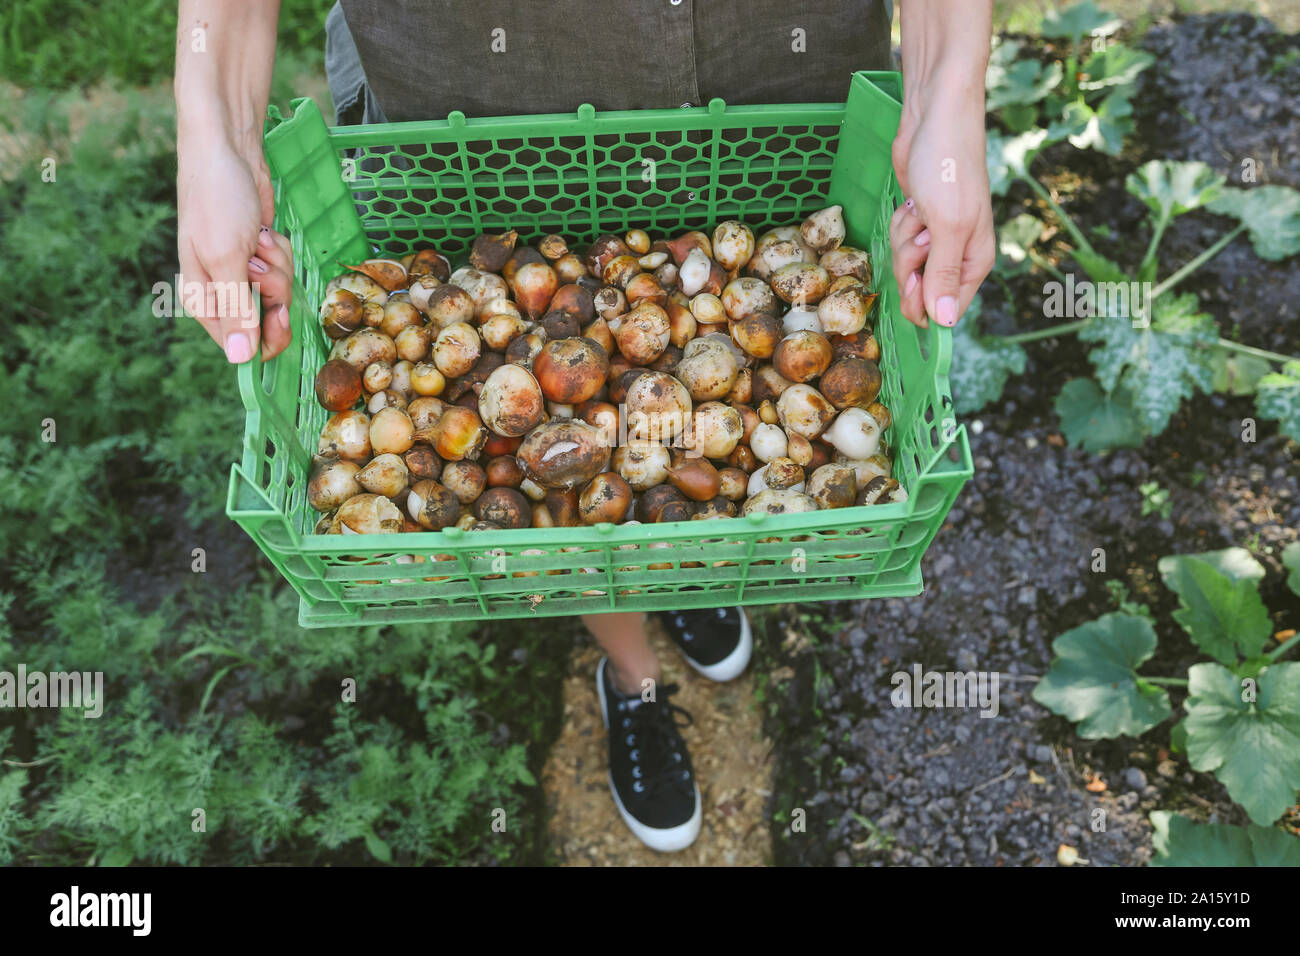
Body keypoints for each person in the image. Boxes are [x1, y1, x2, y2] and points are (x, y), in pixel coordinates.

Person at [175, 0, 994, 853]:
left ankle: (699, 570)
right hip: (488, 82)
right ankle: (634, 677)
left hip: (774, 52)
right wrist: (214, 140)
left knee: (648, 481)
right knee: (580, 514)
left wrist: (950, 95)